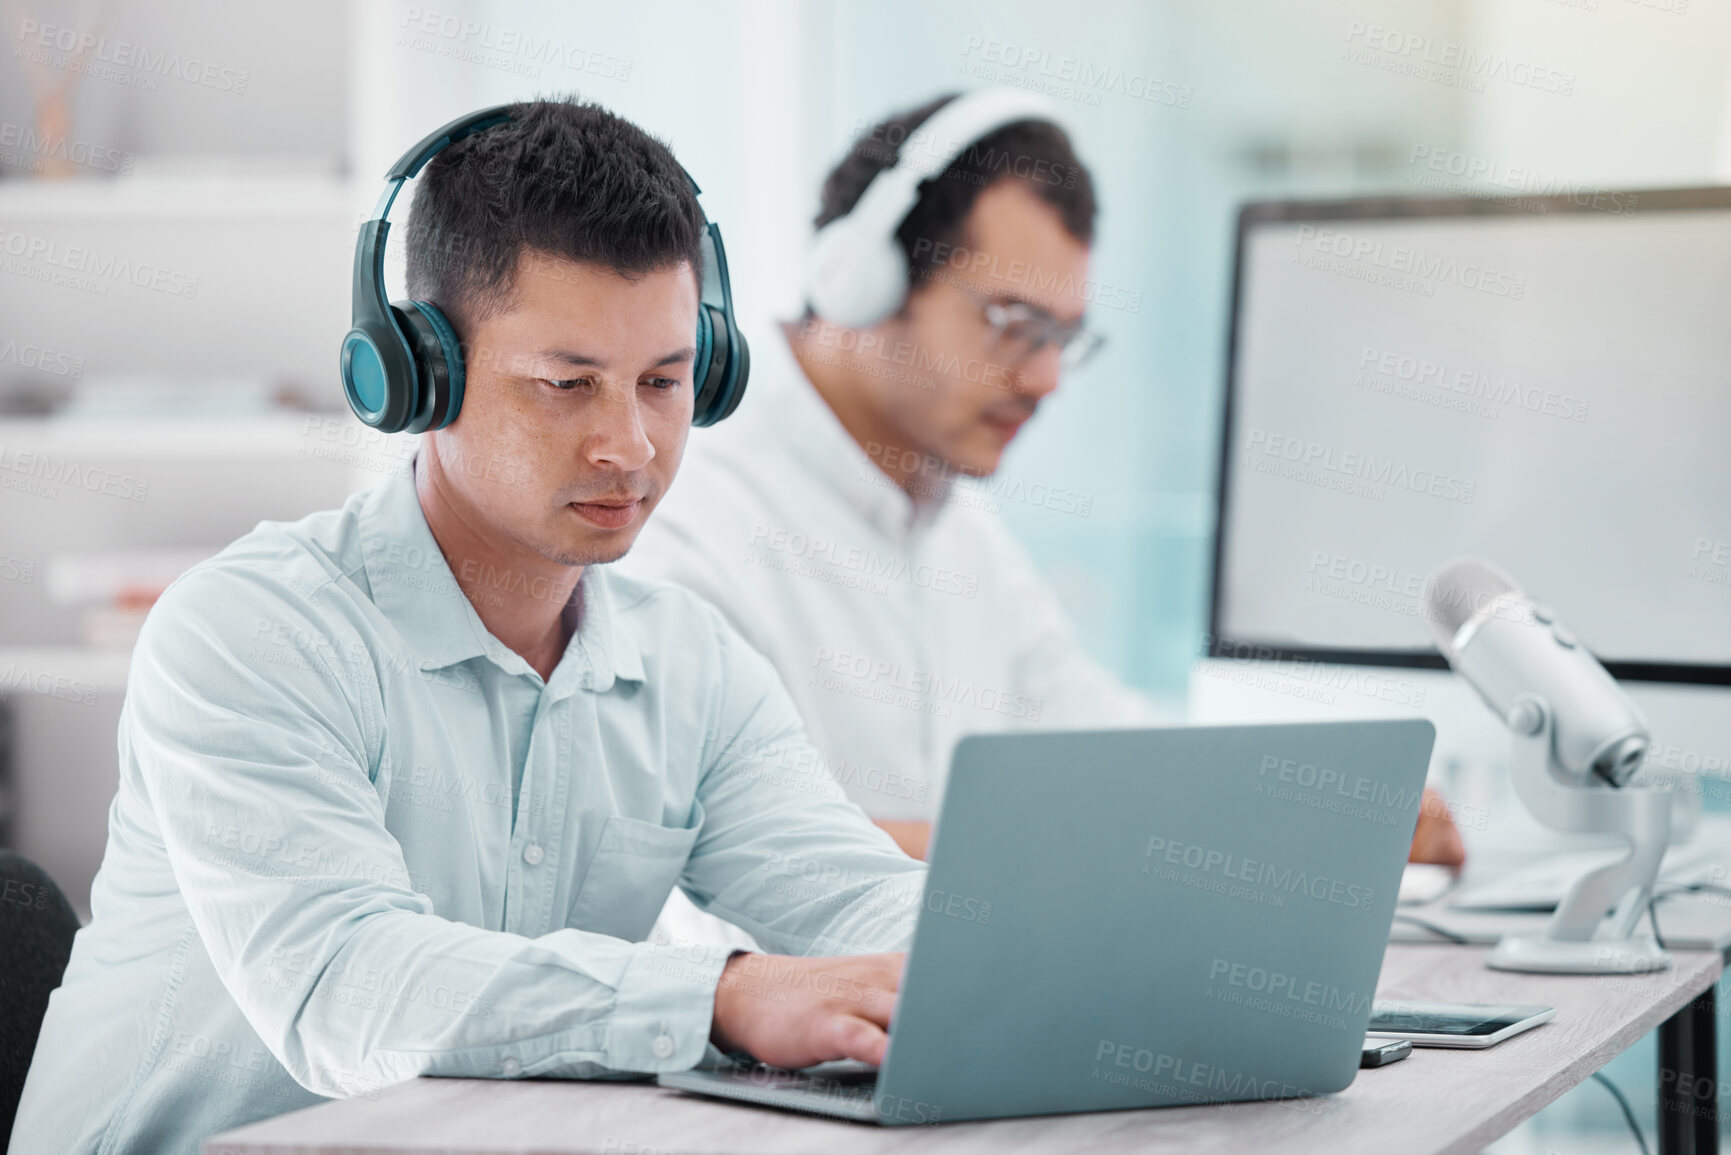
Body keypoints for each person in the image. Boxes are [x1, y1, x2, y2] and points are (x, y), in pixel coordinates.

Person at [7, 100, 923, 1155]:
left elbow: (858, 904)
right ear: (415, 375)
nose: (629, 445)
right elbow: (346, 989)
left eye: (665, 383)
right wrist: (718, 995)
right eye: (565, 384)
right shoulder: (249, 633)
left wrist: (1004, 975)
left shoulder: (692, 669)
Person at [621, 90, 1466, 869]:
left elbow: (1111, 755)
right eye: (1017, 326)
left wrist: (1316, 812)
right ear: (862, 281)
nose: (1046, 380)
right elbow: (754, 850)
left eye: (1064, 338)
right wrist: (1221, 837)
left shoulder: (958, 530)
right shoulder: (677, 519)